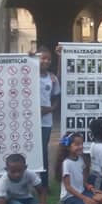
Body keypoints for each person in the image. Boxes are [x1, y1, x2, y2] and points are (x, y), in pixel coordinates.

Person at [58, 133, 102, 204]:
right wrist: (84, 198)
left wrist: (91, 188)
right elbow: (68, 187)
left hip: (82, 192)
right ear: (68, 147)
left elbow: (82, 181)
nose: (80, 147)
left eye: (81, 144)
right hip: (70, 197)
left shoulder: (80, 159)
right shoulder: (66, 163)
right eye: (77, 144)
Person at [37, 46, 61, 187]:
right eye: (42, 58)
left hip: (45, 121)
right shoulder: (28, 75)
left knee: (43, 152)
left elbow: (56, 96)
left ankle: (44, 185)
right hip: (29, 121)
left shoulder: (52, 79)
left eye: (48, 59)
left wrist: (51, 108)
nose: (46, 61)